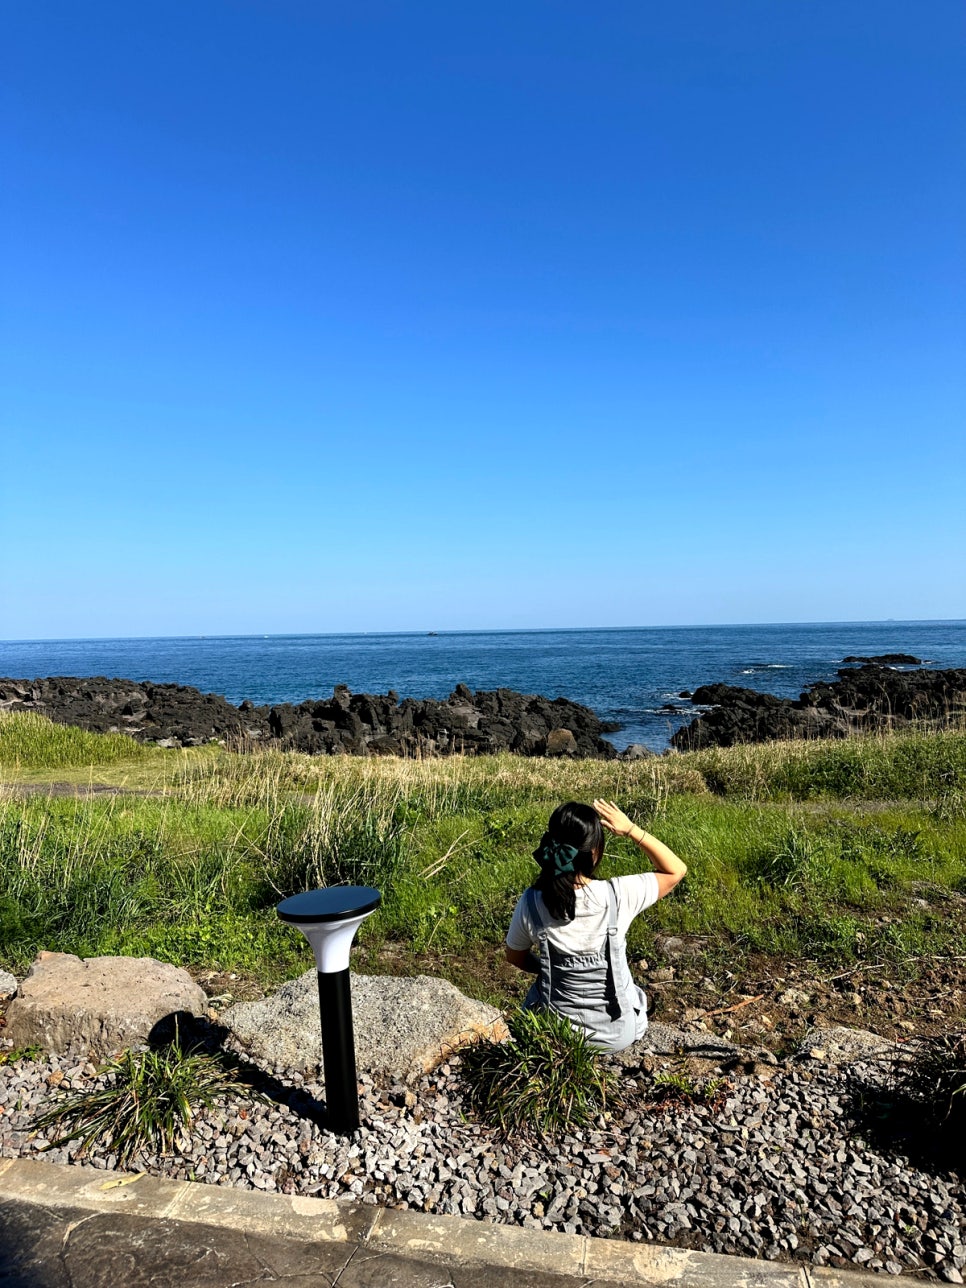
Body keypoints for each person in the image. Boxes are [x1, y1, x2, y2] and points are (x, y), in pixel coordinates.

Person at [504, 799, 687, 1052]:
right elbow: (676, 870)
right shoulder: (618, 894)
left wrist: (549, 970)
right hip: (617, 1035)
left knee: (535, 999)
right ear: (594, 853)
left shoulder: (532, 902)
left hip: (556, 1035)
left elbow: (515, 957)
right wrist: (632, 829)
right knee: (633, 991)